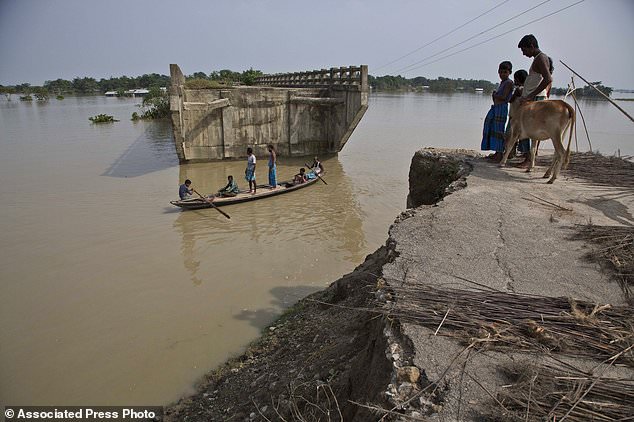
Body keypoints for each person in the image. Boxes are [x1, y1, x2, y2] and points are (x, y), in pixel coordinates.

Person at [517, 34, 553, 167]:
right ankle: (528, 158)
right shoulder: (538, 58)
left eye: (524, 50)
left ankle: (529, 160)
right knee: (530, 129)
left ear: (531, 46)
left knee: (531, 129)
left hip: (536, 100)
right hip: (534, 98)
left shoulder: (541, 58)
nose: (524, 53)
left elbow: (548, 79)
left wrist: (531, 95)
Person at [481, 61, 514, 162]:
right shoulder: (502, 83)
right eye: (501, 72)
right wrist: (495, 96)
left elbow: (504, 97)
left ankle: (499, 154)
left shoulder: (508, 83)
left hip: (501, 109)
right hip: (496, 108)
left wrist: (495, 95)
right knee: (491, 127)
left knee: (498, 131)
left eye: (505, 72)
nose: (502, 74)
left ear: (509, 72)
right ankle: (497, 152)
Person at [504, 69, 528, 159]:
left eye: (515, 79)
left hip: (516, 117)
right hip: (515, 116)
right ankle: (513, 153)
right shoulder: (524, 90)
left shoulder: (520, 90)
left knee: (509, 136)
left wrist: (514, 93)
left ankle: (510, 153)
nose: (514, 81)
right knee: (517, 136)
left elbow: (510, 99)